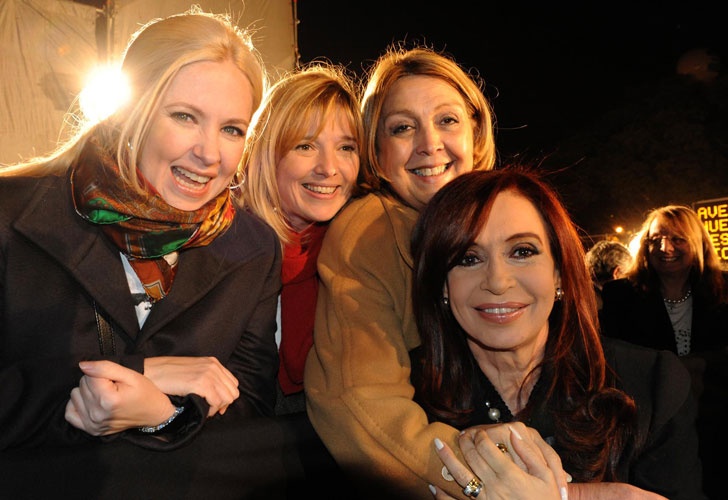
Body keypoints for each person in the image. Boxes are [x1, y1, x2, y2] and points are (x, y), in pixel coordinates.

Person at [0, 8, 331, 498]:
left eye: (232, 129)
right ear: (131, 111)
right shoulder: (14, 215)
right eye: (184, 117)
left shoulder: (253, 247)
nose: (210, 154)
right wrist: (142, 374)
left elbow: (250, 407)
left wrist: (166, 415)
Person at [410, 168, 705, 500]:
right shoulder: (405, 401)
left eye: (522, 251)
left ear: (560, 272)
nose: (497, 281)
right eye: (468, 258)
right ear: (442, 284)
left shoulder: (652, 385)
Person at [303, 43, 500, 498]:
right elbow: (363, 408)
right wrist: (490, 484)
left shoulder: (507, 216)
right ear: (377, 151)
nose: (429, 144)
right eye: (403, 128)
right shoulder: (367, 235)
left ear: (475, 132)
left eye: (447, 120)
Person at [241, 62, 364, 415]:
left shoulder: (360, 253)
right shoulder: (219, 248)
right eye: (306, 146)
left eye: (346, 148)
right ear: (268, 153)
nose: (329, 168)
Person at [600, 205, 728, 500]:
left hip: (718, 423)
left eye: (677, 239)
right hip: (651, 432)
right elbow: (614, 358)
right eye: (655, 239)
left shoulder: (724, 289)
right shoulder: (620, 295)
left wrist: (698, 367)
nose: (665, 248)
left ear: (698, 243)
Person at [584, 239, 633, 309]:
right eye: (627, 275)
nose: (628, 281)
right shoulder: (607, 307)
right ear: (616, 272)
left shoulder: (578, 295)